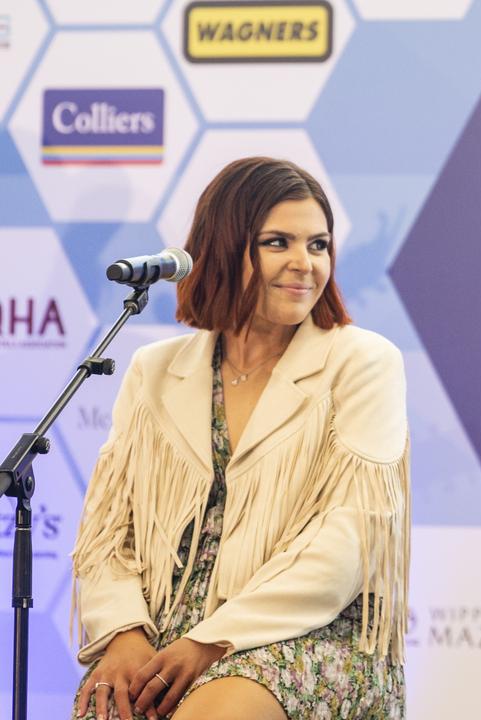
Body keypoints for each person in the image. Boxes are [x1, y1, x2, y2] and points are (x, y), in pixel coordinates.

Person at [69, 157, 410, 720]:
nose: (305, 264)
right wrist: (125, 635)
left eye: (319, 245)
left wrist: (211, 642)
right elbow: (109, 532)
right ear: (224, 247)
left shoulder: (363, 361)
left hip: (309, 633)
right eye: (278, 242)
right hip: (165, 631)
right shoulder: (154, 369)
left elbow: (349, 545)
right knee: (106, 707)